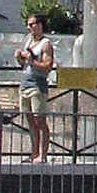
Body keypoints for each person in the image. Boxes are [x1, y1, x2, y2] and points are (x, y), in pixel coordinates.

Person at [16, 20, 57, 159]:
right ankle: (34, 153)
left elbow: (47, 66)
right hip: (25, 84)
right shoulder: (28, 40)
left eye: (32, 24)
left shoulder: (45, 44)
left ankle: (43, 154)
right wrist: (19, 58)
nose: (29, 27)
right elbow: (25, 65)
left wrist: (31, 60)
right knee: (29, 120)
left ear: (40, 25)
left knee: (40, 120)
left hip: (37, 85)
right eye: (28, 24)